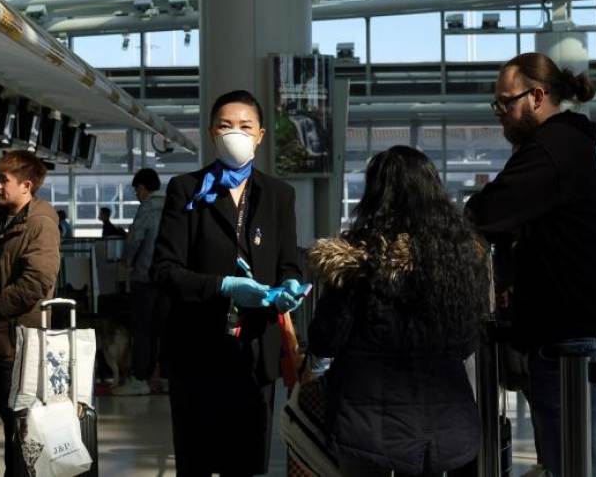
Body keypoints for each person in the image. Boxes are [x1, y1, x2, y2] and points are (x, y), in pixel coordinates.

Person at [465, 53, 596, 477]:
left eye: (507, 102)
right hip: (575, 335)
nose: (501, 114)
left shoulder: (551, 149)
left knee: (577, 468)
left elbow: (488, 210)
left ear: (537, 95)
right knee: (573, 465)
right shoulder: (562, 145)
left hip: (579, 340)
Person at [308, 146, 489, 477]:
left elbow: (327, 338)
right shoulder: (461, 262)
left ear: (375, 195)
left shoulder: (357, 260)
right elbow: (467, 342)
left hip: (368, 428)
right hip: (444, 428)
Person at [152, 90, 305, 476]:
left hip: (255, 350)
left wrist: (289, 288)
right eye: (225, 126)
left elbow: (289, 262)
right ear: (210, 133)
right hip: (197, 347)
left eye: (244, 126)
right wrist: (224, 286)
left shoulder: (278, 195)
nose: (234, 133)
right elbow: (165, 270)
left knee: (246, 462)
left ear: (260, 135)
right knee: (197, 460)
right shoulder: (187, 190)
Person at [0, 150, 60, 477]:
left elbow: (37, 280)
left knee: (20, 426)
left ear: (26, 185)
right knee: (3, 418)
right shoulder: (8, 218)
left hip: (16, 339)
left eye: (3, 180)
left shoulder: (39, 223)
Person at [114, 168, 168, 396]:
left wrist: (126, 261)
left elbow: (135, 238)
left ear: (142, 188)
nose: (137, 194)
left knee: (142, 330)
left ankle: (141, 378)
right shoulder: (174, 205)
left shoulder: (148, 207)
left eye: (137, 190)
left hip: (144, 277)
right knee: (162, 329)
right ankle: (162, 377)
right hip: (168, 279)